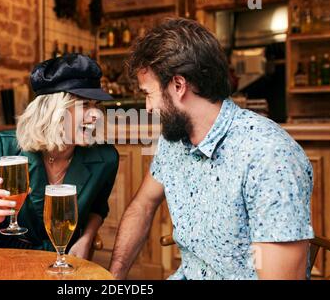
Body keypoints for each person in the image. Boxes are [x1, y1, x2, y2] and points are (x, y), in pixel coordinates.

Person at [109, 18, 314, 280]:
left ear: (178, 86)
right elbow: (143, 206)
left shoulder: (268, 155)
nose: (148, 108)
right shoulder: (175, 140)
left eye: (148, 94)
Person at [0, 54, 119, 259]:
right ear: (53, 110)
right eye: (84, 105)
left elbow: (98, 208)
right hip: (6, 258)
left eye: (96, 105)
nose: (95, 115)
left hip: (64, 260)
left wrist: (86, 238)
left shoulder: (106, 158)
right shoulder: (4, 147)